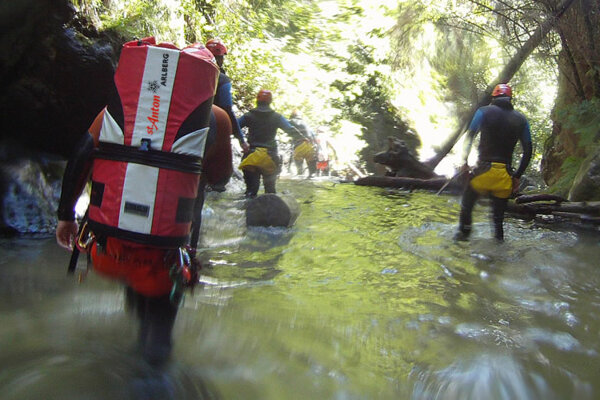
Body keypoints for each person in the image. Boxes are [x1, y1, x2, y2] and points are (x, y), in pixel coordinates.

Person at [55, 38, 224, 369]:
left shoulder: (115, 114)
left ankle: (131, 359)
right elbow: (220, 179)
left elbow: (80, 156)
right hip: (166, 251)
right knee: (158, 337)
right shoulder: (217, 118)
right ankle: (150, 375)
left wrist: (66, 217)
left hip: (108, 248)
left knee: (135, 285)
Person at [454, 83, 533, 242]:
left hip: (483, 172)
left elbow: (469, 137)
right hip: (504, 177)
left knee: (467, 206)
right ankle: (498, 254)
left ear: (494, 97)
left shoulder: (483, 112)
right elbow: (528, 150)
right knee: (498, 221)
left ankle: (462, 239)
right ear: (510, 99)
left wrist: (464, 162)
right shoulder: (521, 120)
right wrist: (517, 176)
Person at [237, 89, 297, 198]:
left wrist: (242, 141)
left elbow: (234, 127)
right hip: (270, 157)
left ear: (257, 100)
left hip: (252, 156)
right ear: (270, 101)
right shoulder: (277, 117)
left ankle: (245, 212)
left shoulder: (248, 116)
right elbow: (291, 130)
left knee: (250, 192)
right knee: (270, 191)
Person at [205, 38, 249, 154]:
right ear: (219, 59)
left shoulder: (194, 75)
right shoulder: (223, 80)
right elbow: (227, 108)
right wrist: (241, 139)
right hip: (215, 127)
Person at [288, 110, 317, 177]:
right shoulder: (306, 123)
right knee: (312, 171)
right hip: (310, 145)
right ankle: (312, 175)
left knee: (299, 171)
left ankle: (300, 174)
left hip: (299, 145)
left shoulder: (291, 121)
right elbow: (313, 134)